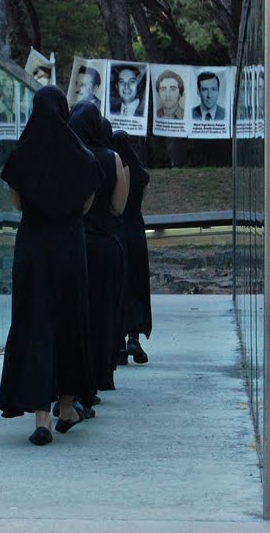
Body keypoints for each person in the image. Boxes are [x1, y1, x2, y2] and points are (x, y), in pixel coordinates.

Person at [0, 86, 102, 445]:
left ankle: (41, 418)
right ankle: (67, 408)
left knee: (34, 324)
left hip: (32, 249)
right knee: (70, 324)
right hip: (69, 249)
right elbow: (86, 205)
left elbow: (17, 203)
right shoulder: (83, 157)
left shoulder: (22, 155)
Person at [68, 102, 129, 405]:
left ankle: (73, 383)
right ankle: (99, 377)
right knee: (103, 315)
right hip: (105, 245)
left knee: (75, 317)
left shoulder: (67, 156)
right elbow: (118, 207)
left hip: (74, 244)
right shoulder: (111, 158)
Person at [112, 130, 152, 364]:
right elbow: (139, 203)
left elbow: (116, 203)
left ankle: (118, 343)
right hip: (136, 229)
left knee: (120, 283)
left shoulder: (114, 169)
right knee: (137, 280)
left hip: (118, 229)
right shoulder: (142, 174)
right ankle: (134, 337)